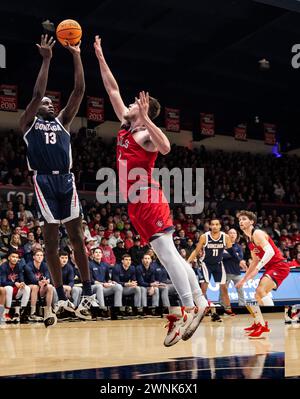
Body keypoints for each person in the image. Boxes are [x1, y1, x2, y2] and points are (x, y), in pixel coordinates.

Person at [94, 36, 208, 346]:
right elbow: (112, 89)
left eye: (135, 104)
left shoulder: (144, 132)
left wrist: (145, 118)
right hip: (134, 204)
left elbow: (167, 147)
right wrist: (101, 56)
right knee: (167, 254)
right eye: (132, 104)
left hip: (149, 198)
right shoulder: (124, 124)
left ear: (144, 112)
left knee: (169, 255)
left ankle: (189, 307)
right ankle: (200, 300)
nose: (129, 104)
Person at [20, 34, 94, 324]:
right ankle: (61, 297)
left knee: (77, 237)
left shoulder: (62, 122)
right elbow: (38, 94)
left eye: (53, 103)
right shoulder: (27, 123)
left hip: (66, 180)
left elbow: (79, 90)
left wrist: (76, 54)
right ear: (37, 108)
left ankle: (87, 292)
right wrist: (47, 60)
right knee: (51, 242)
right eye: (46, 103)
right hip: (43, 182)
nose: (50, 104)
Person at [236, 210, 291, 338]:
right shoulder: (249, 240)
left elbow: (270, 252)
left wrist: (258, 268)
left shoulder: (258, 233)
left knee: (260, 290)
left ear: (251, 222)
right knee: (257, 296)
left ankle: (269, 324)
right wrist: (244, 280)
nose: (241, 221)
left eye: (244, 219)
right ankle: (260, 323)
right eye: (239, 220)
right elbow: (254, 261)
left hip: (280, 266)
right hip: (270, 267)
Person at [188, 219, 238, 318]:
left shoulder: (225, 237)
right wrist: (188, 262)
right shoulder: (204, 236)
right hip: (206, 264)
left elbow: (232, 252)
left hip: (219, 264)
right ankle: (201, 309)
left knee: (224, 288)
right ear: (210, 226)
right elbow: (197, 250)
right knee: (203, 289)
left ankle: (228, 309)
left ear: (220, 226)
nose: (215, 226)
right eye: (212, 225)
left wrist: (240, 261)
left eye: (217, 224)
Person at [24, 249, 55, 325]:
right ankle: (32, 313)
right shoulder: (28, 266)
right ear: (33, 257)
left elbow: (47, 276)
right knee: (35, 287)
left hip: (41, 287)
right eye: (37, 255)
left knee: (50, 287)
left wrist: (47, 281)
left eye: (41, 255)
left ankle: (48, 311)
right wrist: (40, 282)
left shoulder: (45, 265)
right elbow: (32, 279)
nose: (40, 257)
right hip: (29, 287)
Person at [0, 251, 30, 323]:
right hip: (7, 288)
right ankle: (6, 312)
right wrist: (14, 283)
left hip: (16, 289)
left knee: (27, 288)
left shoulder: (19, 266)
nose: (15, 259)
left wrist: (22, 283)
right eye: (13, 257)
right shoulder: (3, 266)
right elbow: (3, 282)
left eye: (16, 257)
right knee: (9, 288)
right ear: (9, 258)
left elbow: (21, 277)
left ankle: (21, 311)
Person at [220, 228, 246, 306]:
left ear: (236, 235)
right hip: (225, 272)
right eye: (230, 233)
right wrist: (234, 255)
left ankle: (242, 305)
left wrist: (229, 254)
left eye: (234, 233)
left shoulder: (239, 247)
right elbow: (222, 256)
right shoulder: (223, 245)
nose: (232, 234)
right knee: (223, 291)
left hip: (237, 272)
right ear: (227, 235)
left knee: (240, 290)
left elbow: (240, 257)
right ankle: (222, 306)